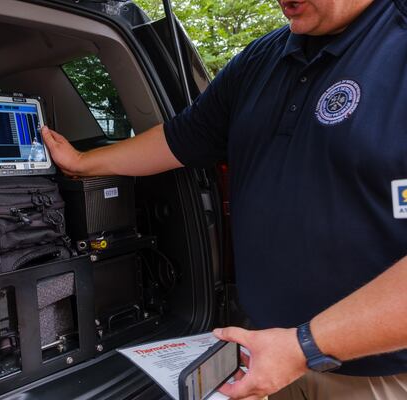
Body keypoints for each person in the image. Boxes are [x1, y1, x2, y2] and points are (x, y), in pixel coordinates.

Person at [42, 0, 407, 398]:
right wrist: (82, 163)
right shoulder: (263, 58)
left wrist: (304, 347)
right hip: (268, 352)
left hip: (377, 373)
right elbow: (183, 138)